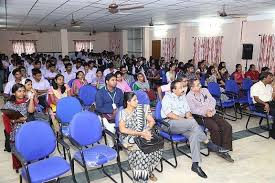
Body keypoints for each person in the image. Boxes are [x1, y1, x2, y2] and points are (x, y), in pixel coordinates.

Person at [161, 79, 229, 178]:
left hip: (183, 124)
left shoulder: (182, 97)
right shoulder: (167, 98)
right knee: (192, 123)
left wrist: (189, 119)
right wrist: (186, 121)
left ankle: (195, 165)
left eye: (183, 87)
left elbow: (188, 112)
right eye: (180, 88)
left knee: (194, 135)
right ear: (173, 90)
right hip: (169, 123)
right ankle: (208, 143)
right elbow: (169, 114)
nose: (183, 89)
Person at [119, 92, 162, 183]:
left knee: (157, 147)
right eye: (135, 100)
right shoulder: (123, 112)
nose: (137, 101)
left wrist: (146, 130)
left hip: (144, 133)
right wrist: (140, 133)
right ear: (128, 102)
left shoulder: (142, 108)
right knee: (142, 152)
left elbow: (152, 121)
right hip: (129, 137)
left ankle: (148, 171)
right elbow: (122, 129)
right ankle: (140, 179)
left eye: (137, 99)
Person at [186, 79, 234, 159]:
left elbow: (212, 100)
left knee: (227, 126)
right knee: (215, 127)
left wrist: (210, 109)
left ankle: (225, 148)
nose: (200, 85)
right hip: (200, 116)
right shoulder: (189, 96)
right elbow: (193, 110)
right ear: (192, 88)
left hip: (211, 112)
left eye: (199, 84)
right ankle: (217, 148)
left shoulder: (205, 90)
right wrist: (205, 113)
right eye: (197, 85)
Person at [2, 83, 35, 172]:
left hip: (26, 127)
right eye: (19, 91)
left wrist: (31, 98)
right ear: (13, 93)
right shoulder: (9, 104)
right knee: (17, 147)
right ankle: (19, 165)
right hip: (15, 128)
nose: (22, 93)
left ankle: (28, 162)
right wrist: (16, 120)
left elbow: (31, 111)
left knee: (27, 146)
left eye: (24, 91)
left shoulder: (27, 101)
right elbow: (5, 118)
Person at [95, 73, 124, 147]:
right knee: (111, 127)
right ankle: (111, 145)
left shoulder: (119, 91)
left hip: (118, 112)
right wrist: (112, 111)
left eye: (115, 80)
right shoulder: (100, 93)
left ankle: (121, 141)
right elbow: (99, 108)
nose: (115, 82)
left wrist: (118, 110)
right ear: (107, 82)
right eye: (112, 80)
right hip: (105, 113)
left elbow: (121, 104)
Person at [250, 72, 275, 138]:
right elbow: (256, 99)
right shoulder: (255, 86)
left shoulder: (269, 86)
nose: (272, 79)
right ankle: (273, 133)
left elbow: (272, 98)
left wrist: (274, 89)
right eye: (270, 78)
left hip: (269, 102)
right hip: (259, 104)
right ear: (264, 78)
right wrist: (265, 104)